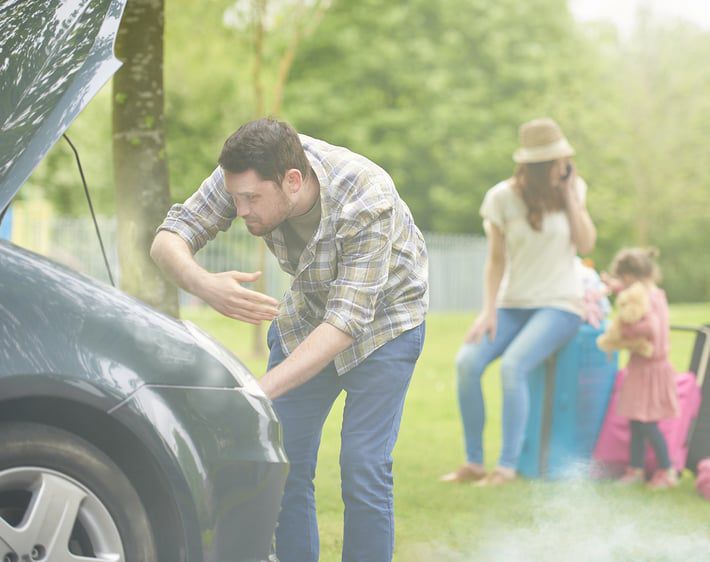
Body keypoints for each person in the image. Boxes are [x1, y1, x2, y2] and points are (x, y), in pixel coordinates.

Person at [150, 118, 428, 562]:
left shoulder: (367, 198)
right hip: (308, 317)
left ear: (292, 182)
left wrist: (257, 392)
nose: (239, 210)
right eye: (235, 198)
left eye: (251, 199)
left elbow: (345, 324)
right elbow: (168, 238)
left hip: (386, 327)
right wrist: (204, 285)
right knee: (282, 464)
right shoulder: (248, 173)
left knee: (363, 467)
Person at [441, 117, 596, 486]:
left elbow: (586, 244)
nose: (564, 164)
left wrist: (572, 196)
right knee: (467, 362)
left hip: (560, 304)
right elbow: (495, 261)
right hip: (512, 303)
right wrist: (488, 310)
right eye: (558, 159)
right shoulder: (501, 198)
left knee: (513, 367)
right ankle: (474, 462)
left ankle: (506, 467)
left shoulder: (574, 192)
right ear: (541, 165)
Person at [608, 248, 679, 489]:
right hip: (640, 368)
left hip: (651, 369)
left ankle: (667, 471)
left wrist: (626, 332)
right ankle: (635, 470)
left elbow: (652, 328)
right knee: (635, 422)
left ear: (633, 276)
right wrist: (612, 286)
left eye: (624, 280)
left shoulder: (649, 298)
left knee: (648, 423)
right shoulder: (650, 293)